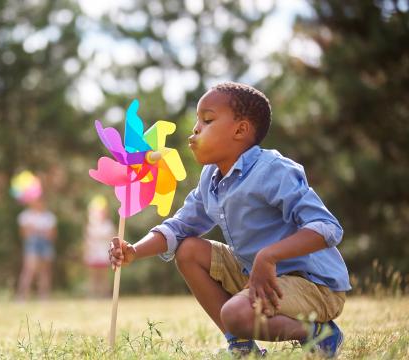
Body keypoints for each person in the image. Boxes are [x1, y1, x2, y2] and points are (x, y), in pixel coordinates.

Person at [109, 82, 350, 357]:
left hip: (312, 284)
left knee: (234, 314)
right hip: (256, 275)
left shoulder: (272, 170)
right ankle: (243, 347)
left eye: (207, 120)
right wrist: (133, 251)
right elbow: (178, 227)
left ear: (240, 130)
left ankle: (320, 334)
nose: (196, 128)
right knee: (187, 250)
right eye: (197, 121)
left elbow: (327, 227)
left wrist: (268, 257)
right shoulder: (210, 178)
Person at [16, 198, 57, 301]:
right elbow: (24, 234)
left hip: (45, 244)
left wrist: (38, 231)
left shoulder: (49, 217)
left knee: (45, 271)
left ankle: (44, 296)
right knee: (29, 270)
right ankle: (22, 296)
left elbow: (52, 234)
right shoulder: (25, 216)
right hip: (32, 244)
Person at [83, 196, 115, 298]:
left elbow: (112, 237)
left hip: (103, 252)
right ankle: (93, 294)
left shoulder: (108, 225)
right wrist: (86, 252)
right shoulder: (91, 225)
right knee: (93, 276)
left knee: (104, 276)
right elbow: (87, 240)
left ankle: (104, 294)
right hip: (93, 252)